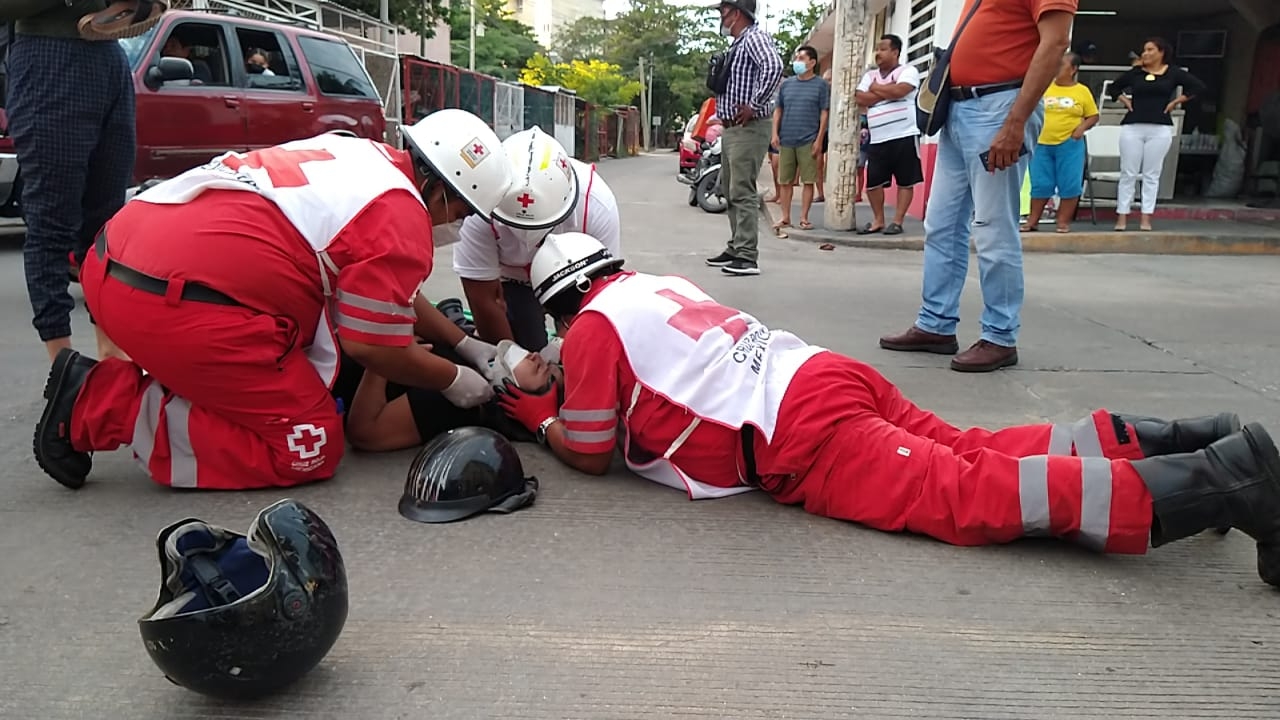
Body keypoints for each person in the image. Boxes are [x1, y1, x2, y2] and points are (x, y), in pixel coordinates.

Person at [497, 232, 1280, 589]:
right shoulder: (652, 286)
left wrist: (533, 415)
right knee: (982, 448)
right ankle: (1192, 439)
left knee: (978, 494)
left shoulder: (592, 330)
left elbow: (592, 449)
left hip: (803, 432)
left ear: (559, 307)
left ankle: (1227, 480)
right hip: (825, 375)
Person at [33, 109, 515, 492]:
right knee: (309, 445)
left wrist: (464, 344)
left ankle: (176, 387)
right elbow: (373, 346)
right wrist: (453, 378)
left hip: (117, 261)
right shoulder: (400, 217)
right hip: (174, 302)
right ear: (440, 190)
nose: (457, 223)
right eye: (460, 210)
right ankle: (103, 404)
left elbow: (391, 298)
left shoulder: (363, 157)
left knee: (295, 374)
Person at [879, 0, 1075, 373]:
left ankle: (1000, 336)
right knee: (942, 224)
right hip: (959, 107)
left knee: (993, 228)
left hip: (1000, 106)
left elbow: (1054, 44)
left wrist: (1016, 122)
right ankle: (936, 324)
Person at [2, 0, 154, 365]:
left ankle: (110, 356)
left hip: (109, 56)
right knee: (52, 223)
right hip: (48, 57)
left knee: (107, 226)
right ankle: (62, 364)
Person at [453, 126, 620, 351]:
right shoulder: (478, 203)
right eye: (514, 225)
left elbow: (600, 294)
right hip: (513, 280)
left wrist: (560, 347)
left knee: (582, 350)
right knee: (527, 346)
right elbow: (483, 298)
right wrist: (510, 360)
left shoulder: (596, 204)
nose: (526, 239)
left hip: (575, 280)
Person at [338, 335, 560, 453]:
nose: (536, 357)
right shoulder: (475, 367)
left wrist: (382, 357)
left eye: (546, 374)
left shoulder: (455, 403)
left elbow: (364, 434)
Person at [703, 0, 782, 277]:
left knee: (742, 189)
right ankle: (736, 247)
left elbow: (773, 67)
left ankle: (747, 255)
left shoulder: (754, 38)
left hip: (748, 126)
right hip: (733, 127)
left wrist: (754, 104)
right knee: (730, 187)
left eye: (723, 11)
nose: (721, 17)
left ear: (736, 13)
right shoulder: (739, 43)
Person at [1107, 37, 1206, 232]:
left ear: (1161, 52)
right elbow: (1114, 87)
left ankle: (1146, 217)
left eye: (1150, 50)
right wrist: (1125, 100)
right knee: (1128, 173)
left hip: (1159, 127)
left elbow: (1198, 87)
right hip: (1133, 126)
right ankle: (1122, 216)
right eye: (1144, 50)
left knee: (1152, 174)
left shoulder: (1172, 73)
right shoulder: (1136, 73)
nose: (1145, 53)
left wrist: (1176, 102)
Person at [854, 34, 923, 236]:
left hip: (905, 134)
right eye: (877, 49)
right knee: (873, 183)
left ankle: (898, 221)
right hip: (878, 138)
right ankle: (878, 220)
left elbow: (901, 90)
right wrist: (886, 91)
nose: (878, 53)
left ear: (895, 52)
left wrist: (876, 90)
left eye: (883, 49)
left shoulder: (908, 71)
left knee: (905, 180)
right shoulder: (870, 76)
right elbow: (860, 98)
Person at [1022, 52, 1099, 233]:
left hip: (1069, 143)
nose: (1056, 68)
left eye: (1061, 65)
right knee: (1040, 183)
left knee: (1070, 183)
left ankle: (1063, 222)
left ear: (1073, 69)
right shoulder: (1044, 87)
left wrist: (1080, 129)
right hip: (1041, 143)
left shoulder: (1081, 91)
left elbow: (1093, 116)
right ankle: (1033, 221)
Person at [770, 45, 828, 232]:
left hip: (808, 139)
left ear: (812, 63)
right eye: (797, 57)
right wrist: (775, 133)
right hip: (787, 138)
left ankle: (804, 218)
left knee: (808, 180)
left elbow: (824, 113)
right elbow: (779, 110)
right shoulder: (787, 84)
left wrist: (819, 140)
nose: (797, 61)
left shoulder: (820, 85)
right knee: (785, 181)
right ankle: (785, 217)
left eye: (802, 58)